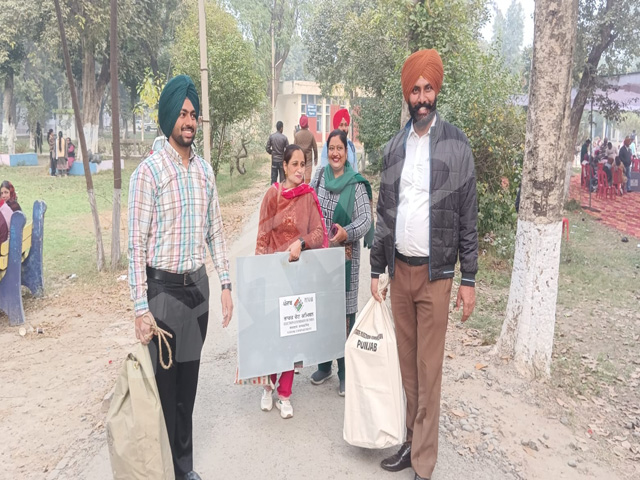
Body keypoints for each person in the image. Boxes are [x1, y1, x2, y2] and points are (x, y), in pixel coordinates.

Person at [370, 49, 478, 480]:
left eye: (427, 88)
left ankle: (424, 464)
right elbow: (385, 212)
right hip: (400, 273)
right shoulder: (394, 147)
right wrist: (377, 269)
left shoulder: (456, 144)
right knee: (407, 367)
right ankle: (411, 442)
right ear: (407, 94)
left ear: (436, 90)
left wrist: (469, 278)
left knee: (429, 371)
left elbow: (468, 214)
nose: (421, 97)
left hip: (436, 276)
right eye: (414, 90)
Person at [128, 74, 233, 480]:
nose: (189, 121)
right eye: (183, 113)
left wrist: (225, 284)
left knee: (187, 389)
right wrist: (141, 307)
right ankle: (162, 470)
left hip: (197, 291)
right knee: (164, 389)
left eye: (193, 114)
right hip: (163, 294)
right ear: (170, 115)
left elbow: (216, 232)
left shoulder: (204, 171)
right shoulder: (149, 173)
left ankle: (183, 469)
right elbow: (136, 246)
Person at [255, 144, 328, 418]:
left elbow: (319, 233)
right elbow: (262, 236)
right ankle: (267, 387)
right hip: (274, 274)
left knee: (291, 333)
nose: (300, 170)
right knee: (271, 333)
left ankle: (285, 394)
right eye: (294, 164)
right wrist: (260, 275)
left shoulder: (308, 196)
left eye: (303, 164)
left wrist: (301, 242)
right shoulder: (272, 195)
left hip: (298, 275)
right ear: (284, 166)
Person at [309, 129, 373, 396]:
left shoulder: (355, 184)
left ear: (347, 152)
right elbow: (307, 205)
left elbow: (366, 219)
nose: (335, 153)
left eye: (340, 149)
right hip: (321, 257)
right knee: (323, 311)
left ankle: (345, 372)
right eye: (332, 148)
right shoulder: (319, 177)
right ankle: (324, 366)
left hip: (346, 259)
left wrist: (348, 232)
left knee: (344, 314)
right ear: (327, 151)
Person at [293, 115, 318, 184]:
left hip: (299, 162)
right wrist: (316, 159)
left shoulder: (297, 135)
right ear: (307, 123)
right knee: (307, 182)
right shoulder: (311, 135)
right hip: (308, 162)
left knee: (300, 181)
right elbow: (315, 148)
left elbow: (294, 148)